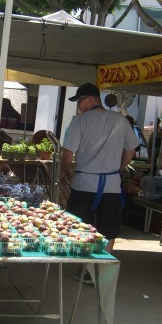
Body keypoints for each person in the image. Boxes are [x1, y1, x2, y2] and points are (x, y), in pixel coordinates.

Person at [59, 83, 139, 284]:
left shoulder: (80, 121)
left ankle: (85, 266)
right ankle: (99, 272)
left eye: (78, 101)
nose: (78, 106)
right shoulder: (120, 120)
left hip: (84, 184)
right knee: (108, 229)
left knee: (79, 226)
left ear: (88, 99)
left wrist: (63, 172)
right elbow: (131, 149)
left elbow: (67, 153)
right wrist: (118, 168)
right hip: (111, 184)